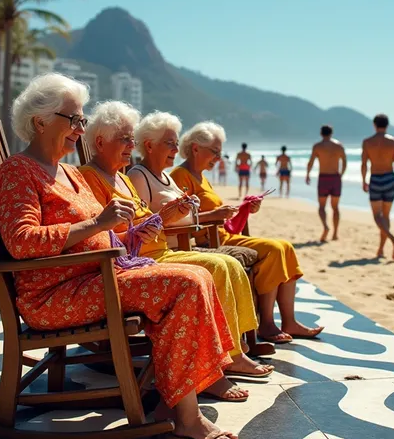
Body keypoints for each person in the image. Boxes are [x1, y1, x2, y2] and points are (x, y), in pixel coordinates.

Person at [0, 74, 244, 439]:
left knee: (198, 273)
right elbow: (20, 241)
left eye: (81, 120)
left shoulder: (68, 173)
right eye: (74, 119)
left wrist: (127, 238)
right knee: (187, 283)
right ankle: (186, 420)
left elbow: (96, 236)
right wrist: (98, 223)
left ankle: (173, 399)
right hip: (54, 295)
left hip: (97, 277)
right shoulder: (19, 171)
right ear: (41, 120)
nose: (80, 128)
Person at [79, 103, 274, 390]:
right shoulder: (95, 177)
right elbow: (105, 235)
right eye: (125, 139)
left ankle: (234, 350)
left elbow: (143, 221)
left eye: (131, 139)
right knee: (216, 268)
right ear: (100, 142)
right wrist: (157, 222)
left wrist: (165, 216)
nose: (131, 146)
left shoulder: (121, 177)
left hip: (156, 252)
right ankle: (217, 361)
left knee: (229, 264)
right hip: (137, 261)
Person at [171, 122, 324, 344]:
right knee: (273, 250)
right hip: (208, 242)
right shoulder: (181, 176)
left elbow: (213, 212)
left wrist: (243, 208)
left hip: (222, 235)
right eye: (214, 152)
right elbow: (178, 218)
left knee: (286, 247)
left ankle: (289, 320)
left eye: (220, 153)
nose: (218, 158)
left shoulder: (200, 176)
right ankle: (267, 323)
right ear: (195, 148)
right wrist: (217, 213)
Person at [362, 114, 394, 259]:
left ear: (374, 125)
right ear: (387, 125)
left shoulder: (368, 142)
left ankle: (393, 240)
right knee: (385, 216)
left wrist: (364, 180)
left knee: (377, 216)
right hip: (389, 178)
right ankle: (381, 250)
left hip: (376, 178)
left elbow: (364, 164)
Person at [306, 126, 347, 242]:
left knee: (322, 207)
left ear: (321, 133)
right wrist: (341, 174)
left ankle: (325, 226)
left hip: (323, 178)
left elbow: (311, 162)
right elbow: (344, 161)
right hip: (335, 178)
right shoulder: (339, 146)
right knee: (335, 207)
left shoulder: (317, 146)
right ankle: (335, 233)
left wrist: (308, 174)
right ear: (331, 133)